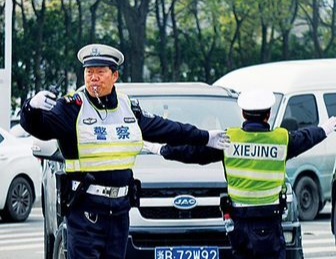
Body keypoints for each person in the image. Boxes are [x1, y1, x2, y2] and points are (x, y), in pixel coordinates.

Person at [20, 43, 229, 259]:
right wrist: (30, 109)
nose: (93, 78)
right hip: (85, 212)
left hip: (119, 212)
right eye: (89, 72)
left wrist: (205, 137)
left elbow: (166, 129)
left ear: (115, 76)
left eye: (100, 72)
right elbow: (40, 128)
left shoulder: (127, 108)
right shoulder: (72, 107)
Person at [144, 89, 336, 259]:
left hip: (238, 225)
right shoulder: (281, 140)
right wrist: (325, 129)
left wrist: (161, 150)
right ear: (268, 115)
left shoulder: (229, 139)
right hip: (269, 223)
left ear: (243, 113)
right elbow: (306, 137)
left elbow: (193, 152)